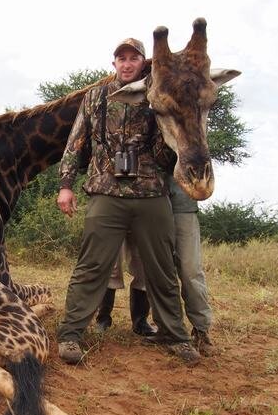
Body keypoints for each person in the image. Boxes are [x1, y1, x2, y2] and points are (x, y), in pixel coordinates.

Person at [55, 38, 200, 366]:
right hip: (106, 193)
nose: (127, 63)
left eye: (133, 58)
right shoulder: (94, 97)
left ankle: (175, 335)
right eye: (121, 58)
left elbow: (181, 138)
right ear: (114, 63)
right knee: (92, 266)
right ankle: (71, 334)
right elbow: (75, 144)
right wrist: (66, 186)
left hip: (151, 194)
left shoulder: (158, 93)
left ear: (143, 62)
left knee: (161, 268)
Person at [95, 175, 216, 356]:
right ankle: (106, 319)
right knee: (130, 266)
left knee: (186, 271)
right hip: (135, 198)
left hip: (176, 203)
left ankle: (199, 331)